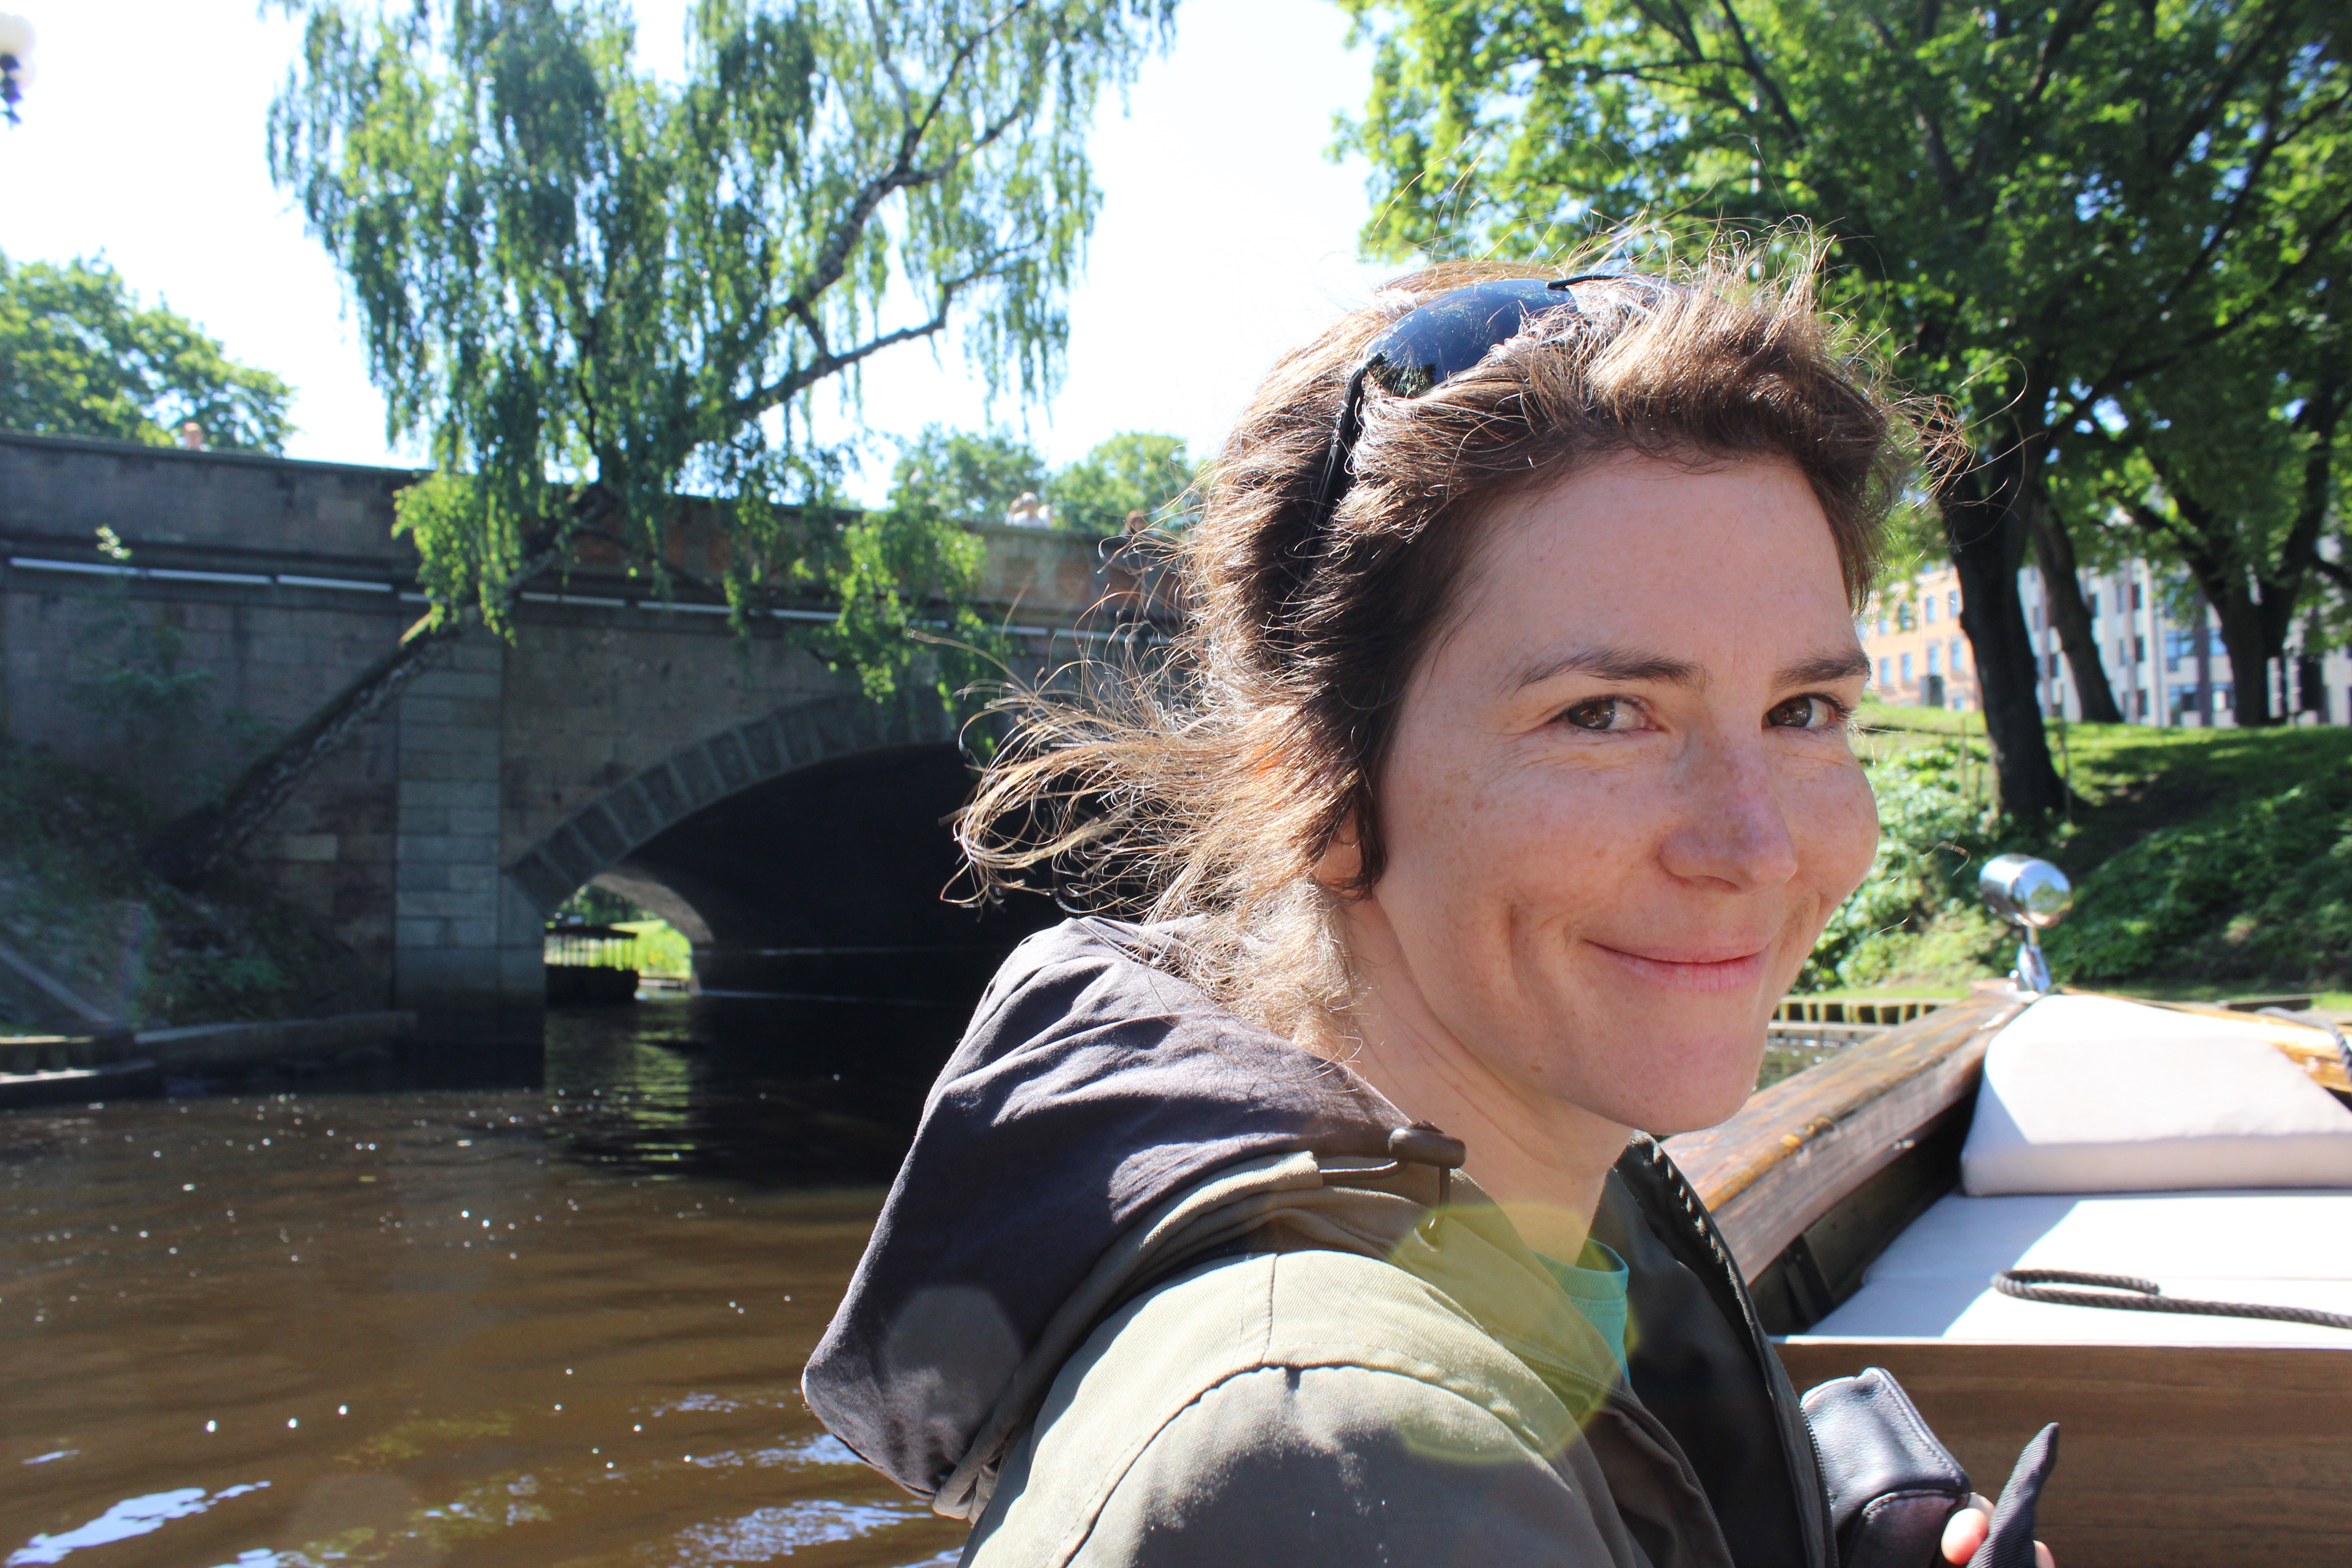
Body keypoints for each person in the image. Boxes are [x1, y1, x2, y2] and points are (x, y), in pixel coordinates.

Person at [806, 248, 2040, 1566]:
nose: (1756, 846)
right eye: (1605, 715)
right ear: (1321, 792)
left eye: (1803, 712)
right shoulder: (1342, 1463)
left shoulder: (1564, 1235)